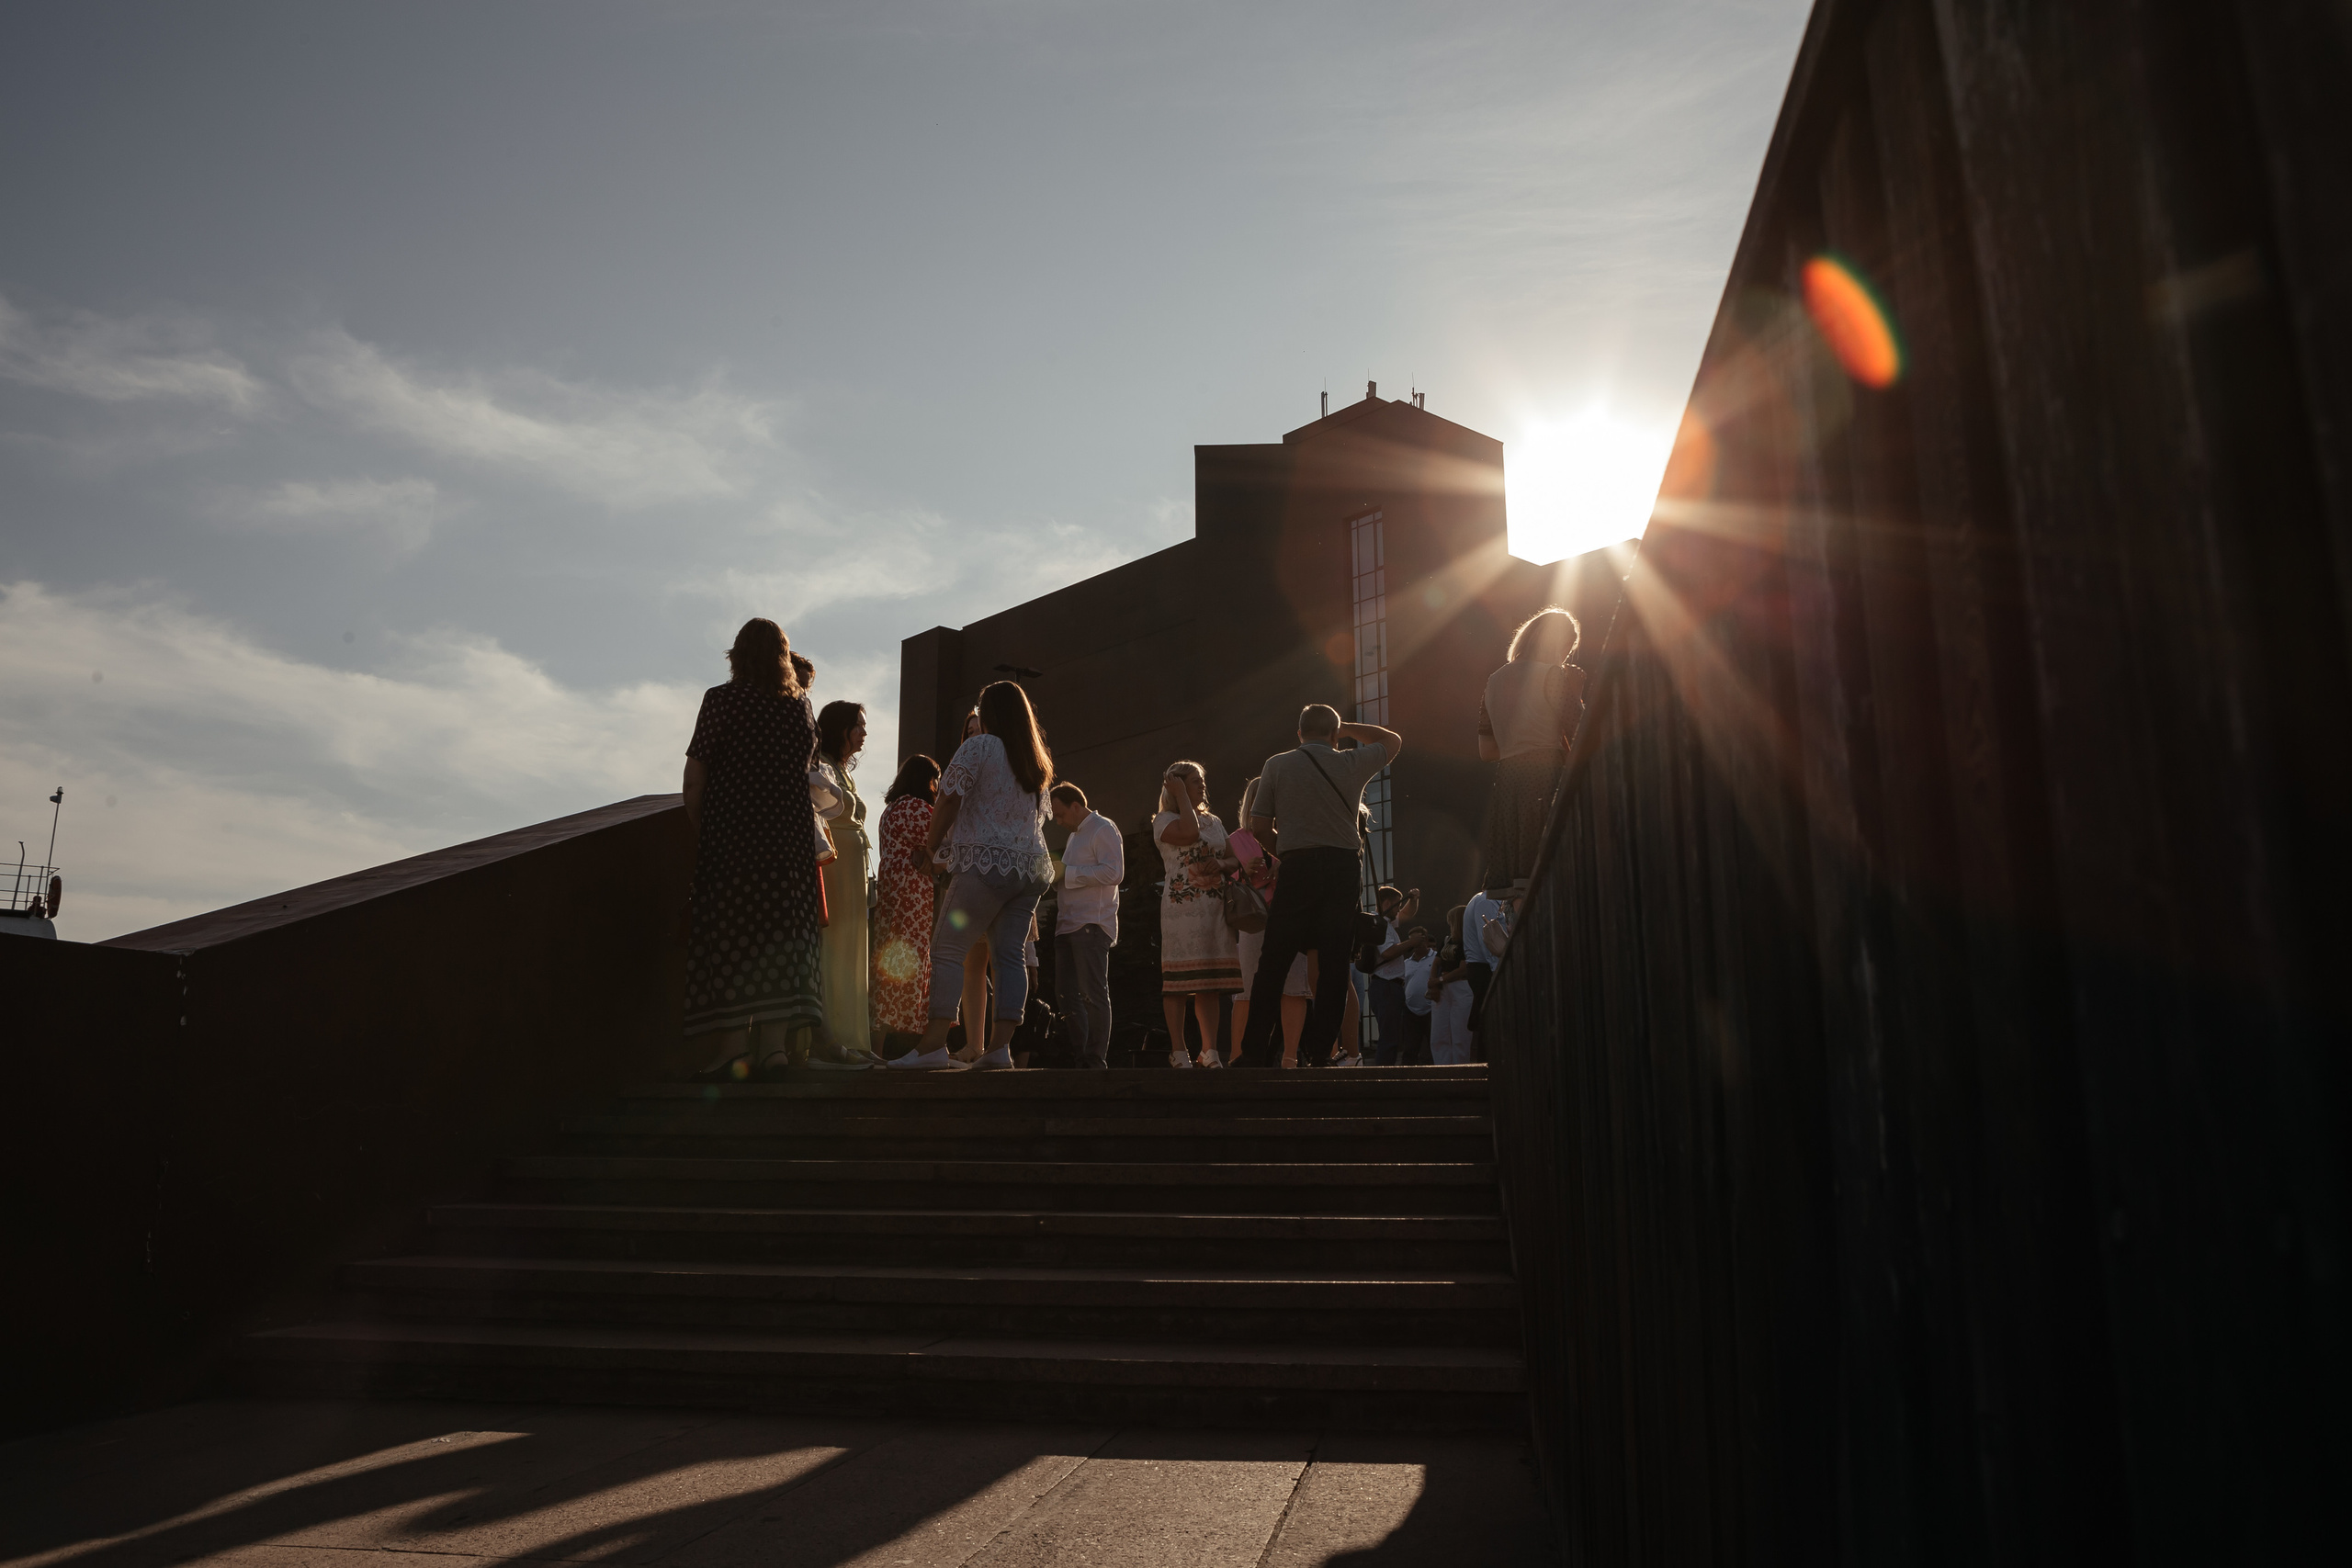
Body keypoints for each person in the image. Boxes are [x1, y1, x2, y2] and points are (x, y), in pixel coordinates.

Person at [680, 618, 873, 1075]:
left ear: (737, 655)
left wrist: (704, 828)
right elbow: (808, 775)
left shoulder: (721, 700)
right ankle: (774, 1049)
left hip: (736, 840)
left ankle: (732, 1048)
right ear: (784, 658)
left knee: (735, 939)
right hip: (788, 845)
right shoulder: (800, 709)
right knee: (782, 941)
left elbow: (695, 777)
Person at [890, 681, 1057, 1071]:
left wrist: (930, 848)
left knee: (947, 950)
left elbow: (948, 796)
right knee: (1009, 957)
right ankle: (1000, 1049)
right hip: (1029, 868)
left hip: (985, 864)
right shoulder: (1035, 761)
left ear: (990, 712)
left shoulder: (979, 746)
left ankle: (932, 1047)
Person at [1237, 703, 1404, 1070]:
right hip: (1343, 869)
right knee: (1332, 965)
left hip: (1297, 867)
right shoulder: (1350, 763)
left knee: (1274, 961)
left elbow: (1259, 826)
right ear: (1333, 733)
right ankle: (1319, 1054)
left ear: (1299, 733)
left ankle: (1252, 1053)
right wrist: (1346, 728)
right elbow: (1392, 740)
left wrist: (1290, 852)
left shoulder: (1276, 765)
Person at [1478, 606, 1588, 889]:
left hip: (1508, 781)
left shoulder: (1493, 681)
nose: (1566, 655)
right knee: (1549, 863)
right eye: (1568, 646)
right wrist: (1576, 693)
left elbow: (1486, 751)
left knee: (1518, 880)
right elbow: (1580, 731)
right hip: (1545, 775)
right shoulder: (1552, 674)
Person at [1153, 760, 1242, 1067]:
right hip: (1182, 911)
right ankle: (1179, 1050)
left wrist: (1221, 865)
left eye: (1202, 780)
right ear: (1177, 786)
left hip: (1215, 909)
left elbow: (1233, 860)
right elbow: (1189, 833)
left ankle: (1209, 1050)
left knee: (1211, 983)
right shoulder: (1164, 820)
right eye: (1194, 781)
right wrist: (1178, 796)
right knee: (1178, 982)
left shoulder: (1215, 822)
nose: (1202, 785)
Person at [1229, 775, 1310, 1067]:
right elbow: (1227, 880)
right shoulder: (1237, 838)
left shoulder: (1294, 836)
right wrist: (1242, 870)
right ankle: (1237, 1056)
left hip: (1290, 914)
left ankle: (1290, 1057)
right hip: (1255, 920)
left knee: (1294, 986)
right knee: (1247, 990)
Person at [811, 700, 873, 1052]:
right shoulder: (821, 764)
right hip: (835, 867)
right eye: (859, 726)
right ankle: (834, 1039)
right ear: (841, 729)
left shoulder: (842, 770)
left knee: (853, 950)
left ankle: (854, 1039)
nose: (864, 733)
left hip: (853, 868)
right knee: (835, 948)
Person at [871, 753, 941, 1055]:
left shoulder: (889, 811)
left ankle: (876, 1042)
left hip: (888, 890)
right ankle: (910, 1042)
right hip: (913, 893)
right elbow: (945, 844)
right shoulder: (920, 809)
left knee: (885, 964)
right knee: (913, 962)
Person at [1049, 782, 1123, 1070]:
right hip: (1068, 925)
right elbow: (1072, 878)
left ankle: (1094, 1060)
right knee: (1066, 995)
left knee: (1093, 993)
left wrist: (1067, 872)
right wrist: (1056, 877)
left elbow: (1114, 872)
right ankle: (1082, 1057)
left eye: (1060, 814)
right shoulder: (1075, 836)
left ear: (1076, 807)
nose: (1058, 821)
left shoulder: (1103, 828)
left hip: (1091, 924)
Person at [1362, 884, 1425, 1066]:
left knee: (1391, 1036)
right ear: (1387, 902)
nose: (1398, 910)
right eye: (1397, 905)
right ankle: (1383, 1077)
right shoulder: (1378, 923)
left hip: (1387, 987)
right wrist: (1411, 942)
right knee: (1389, 1038)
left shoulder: (1385, 922)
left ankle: (1385, 1075)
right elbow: (1388, 952)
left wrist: (1414, 899)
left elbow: (1407, 914)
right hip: (1386, 986)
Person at [1462, 874, 1515, 1058]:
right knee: (1492, 1018)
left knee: (1488, 1017)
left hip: (1482, 967)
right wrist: (1497, 970)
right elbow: (1489, 939)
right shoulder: (1486, 901)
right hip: (1485, 968)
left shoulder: (1481, 900)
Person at [1428, 903, 1476, 1065]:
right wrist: (1435, 983)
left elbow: (1463, 969)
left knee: (1460, 1033)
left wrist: (1439, 980)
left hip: (1461, 987)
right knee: (1439, 1033)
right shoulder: (1447, 940)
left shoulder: (1468, 941)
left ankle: (1460, 1067)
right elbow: (1435, 963)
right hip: (1445, 987)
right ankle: (1442, 1067)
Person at [1397, 926, 1437, 1065]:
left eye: (1416, 940)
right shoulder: (1405, 963)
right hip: (1410, 1011)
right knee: (1410, 1049)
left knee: (1433, 1047)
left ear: (1425, 939)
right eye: (1411, 940)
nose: (1413, 944)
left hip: (1431, 1009)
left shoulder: (1436, 959)